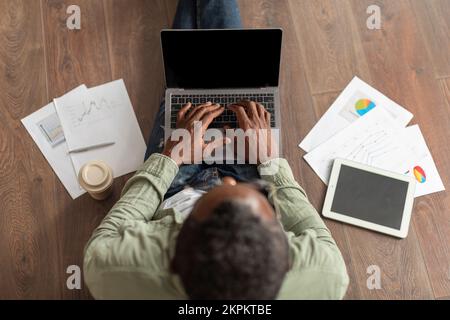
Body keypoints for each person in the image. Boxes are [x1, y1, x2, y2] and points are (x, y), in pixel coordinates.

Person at [83, 0, 349, 299]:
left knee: (184, 92)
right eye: (234, 188)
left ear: (172, 248)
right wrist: (269, 161)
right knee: (237, 73)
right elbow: (317, 238)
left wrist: (170, 158)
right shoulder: (325, 274)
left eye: (213, 197)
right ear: (284, 254)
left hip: (170, 190)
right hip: (257, 170)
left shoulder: (110, 266)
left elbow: (107, 236)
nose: (227, 182)